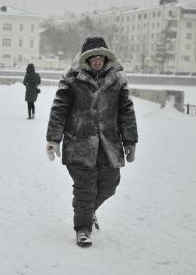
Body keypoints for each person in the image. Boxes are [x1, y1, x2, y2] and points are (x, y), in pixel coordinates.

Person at [45, 37, 138, 248]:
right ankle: (83, 229)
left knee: (110, 184)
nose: (97, 61)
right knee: (85, 189)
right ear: (85, 59)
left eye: (101, 57)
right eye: (93, 57)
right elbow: (59, 109)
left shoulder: (118, 79)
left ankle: (88, 212)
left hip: (109, 144)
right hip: (79, 143)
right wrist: (53, 139)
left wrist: (130, 141)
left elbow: (126, 111)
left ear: (106, 58)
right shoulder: (71, 78)